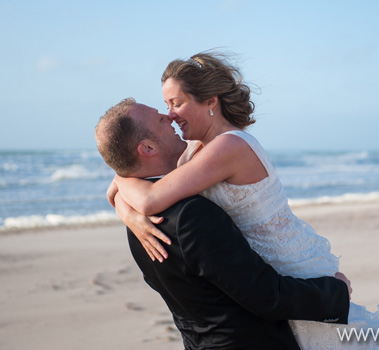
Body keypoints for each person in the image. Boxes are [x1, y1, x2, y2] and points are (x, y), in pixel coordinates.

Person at [108, 52, 379, 349]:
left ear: (209, 100)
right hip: (268, 271)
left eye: (175, 103)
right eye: (166, 107)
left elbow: (148, 191)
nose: (170, 114)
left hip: (292, 265)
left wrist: (135, 211)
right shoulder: (194, 149)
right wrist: (131, 214)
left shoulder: (229, 146)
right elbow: (122, 179)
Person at [94, 99, 352, 349]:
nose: (170, 117)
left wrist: (121, 182)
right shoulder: (191, 215)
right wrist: (336, 291)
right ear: (147, 148)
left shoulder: (134, 222)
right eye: (161, 119)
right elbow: (266, 296)